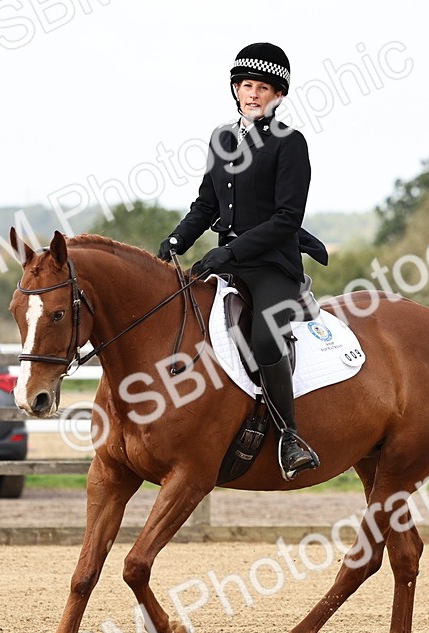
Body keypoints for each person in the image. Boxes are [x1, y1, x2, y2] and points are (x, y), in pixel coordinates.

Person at [158, 42, 329, 480]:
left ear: (279, 96)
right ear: (236, 89)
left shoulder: (290, 145)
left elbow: (288, 218)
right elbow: (205, 204)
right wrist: (176, 240)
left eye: (263, 88)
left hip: (273, 265)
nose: (252, 94)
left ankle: (290, 436)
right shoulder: (223, 138)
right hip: (227, 262)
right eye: (246, 85)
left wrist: (227, 252)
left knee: (265, 335)